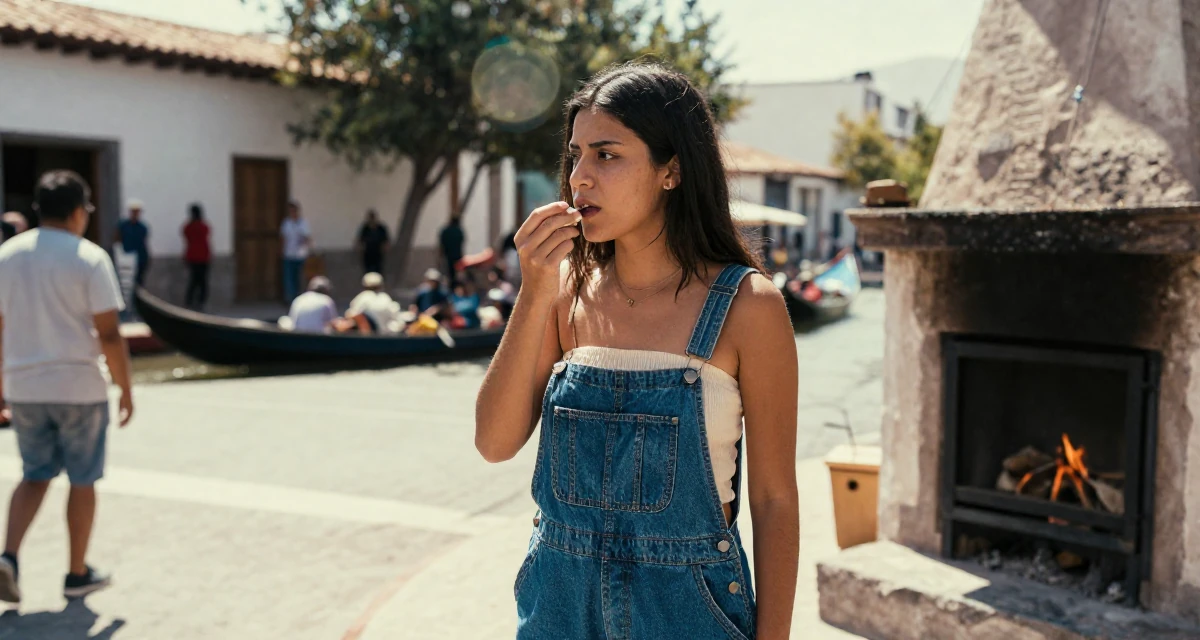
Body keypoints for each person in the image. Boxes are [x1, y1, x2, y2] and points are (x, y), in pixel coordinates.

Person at [474, 63, 800, 638]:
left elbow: (773, 500)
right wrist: (534, 290)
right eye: (575, 155)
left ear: (671, 170)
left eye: (606, 155)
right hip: (557, 610)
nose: (580, 178)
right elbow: (494, 443)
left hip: (688, 615)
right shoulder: (562, 292)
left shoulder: (749, 308)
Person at [0, 170, 134, 603]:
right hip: (79, 385)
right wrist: (126, 388)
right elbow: (110, 335)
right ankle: (77, 573)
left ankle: (9, 556)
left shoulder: (8, 256)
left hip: (24, 385)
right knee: (82, 478)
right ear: (78, 211)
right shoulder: (90, 257)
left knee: (34, 474)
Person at [336, 272, 403, 335]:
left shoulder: (363, 296)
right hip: (386, 337)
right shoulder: (386, 297)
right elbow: (397, 320)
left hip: (369, 338)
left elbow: (351, 314)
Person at [280, 201, 312, 303]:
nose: (292, 213)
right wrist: (281, 250)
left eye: (294, 211)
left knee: (301, 279)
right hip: (289, 254)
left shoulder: (303, 223)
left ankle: (302, 298)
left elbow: (307, 238)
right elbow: (283, 238)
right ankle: (291, 299)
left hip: (301, 255)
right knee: (290, 279)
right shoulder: (286, 223)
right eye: (290, 211)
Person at [182, 203, 211, 310]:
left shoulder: (188, 227)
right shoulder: (204, 226)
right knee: (202, 281)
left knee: (193, 280)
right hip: (203, 257)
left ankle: (189, 301)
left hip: (192, 257)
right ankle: (201, 302)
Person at [117, 199, 150, 287]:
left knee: (139, 284)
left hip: (140, 258)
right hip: (126, 257)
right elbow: (117, 239)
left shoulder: (142, 227)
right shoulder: (123, 225)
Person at [356, 210, 390, 276]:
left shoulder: (381, 228)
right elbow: (360, 240)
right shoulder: (365, 228)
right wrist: (360, 248)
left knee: (378, 271)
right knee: (368, 271)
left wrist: (385, 249)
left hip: (378, 253)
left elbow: (386, 240)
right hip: (367, 253)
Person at [438, 215, 465, 285]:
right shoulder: (459, 231)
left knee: (449, 272)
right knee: (457, 272)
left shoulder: (446, 231)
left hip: (447, 255)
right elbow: (462, 241)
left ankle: (452, 284)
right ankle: (456, 285)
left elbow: (441, 242)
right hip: (457, 255)